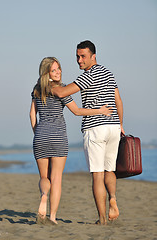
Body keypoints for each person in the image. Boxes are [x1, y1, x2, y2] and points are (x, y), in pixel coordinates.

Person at [29, 57, 113, 225]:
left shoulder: (37, 90)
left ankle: (44, 196)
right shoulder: (61, 90)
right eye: (54, 70)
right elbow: (76, 111)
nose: (58, 71)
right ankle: (52, 217)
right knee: (57, 178)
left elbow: (32, 114)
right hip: (58, 137)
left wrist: (37, 132)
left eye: (58, 68)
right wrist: (100, 110)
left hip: (41, 136)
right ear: (47, 73)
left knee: (44, 177)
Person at [52, 40, 125, 225]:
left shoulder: (88, 76)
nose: (79, 60)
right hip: (114, 126)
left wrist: (51, 84)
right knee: (110, 170)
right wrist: (121, 124)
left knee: (97, 175)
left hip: (95, 129)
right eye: (77, 56)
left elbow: (62, 93)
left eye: (83, 56)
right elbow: (118, 100)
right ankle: (113, 199)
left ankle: (102, 219)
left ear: (94, 56)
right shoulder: (109, 73)